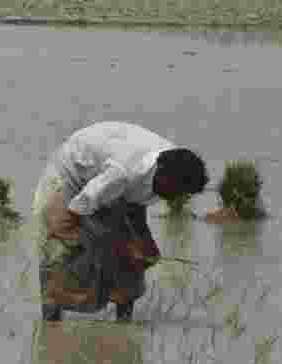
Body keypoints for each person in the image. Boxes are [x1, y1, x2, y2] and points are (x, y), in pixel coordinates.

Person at [32, 121, 209, 322]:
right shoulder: (121, 174)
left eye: (183, 194)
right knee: (61, 248)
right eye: (176, 191)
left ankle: (123, 322)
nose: (177, 198)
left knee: (134, 251)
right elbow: (77, 208)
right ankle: (51, 321)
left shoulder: (176, 165)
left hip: (108, 175)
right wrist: (111, 244)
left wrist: (143, 244)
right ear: (162, 174)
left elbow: (135, 205)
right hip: (70, 174)